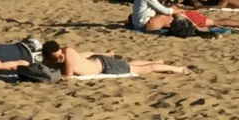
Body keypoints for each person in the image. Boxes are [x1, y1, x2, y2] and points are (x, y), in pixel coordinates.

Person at [41, 41, 191, 77]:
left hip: (106, 67)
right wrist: (105, 53)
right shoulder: (69, 53)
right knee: (128, 64)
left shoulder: (68, 54)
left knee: (141, 70)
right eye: (57, 57)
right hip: (101, 61)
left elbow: (67, 76)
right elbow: (86, 54)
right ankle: (158, 62)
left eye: (61, 55)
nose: (61, 58)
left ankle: (178, 69)